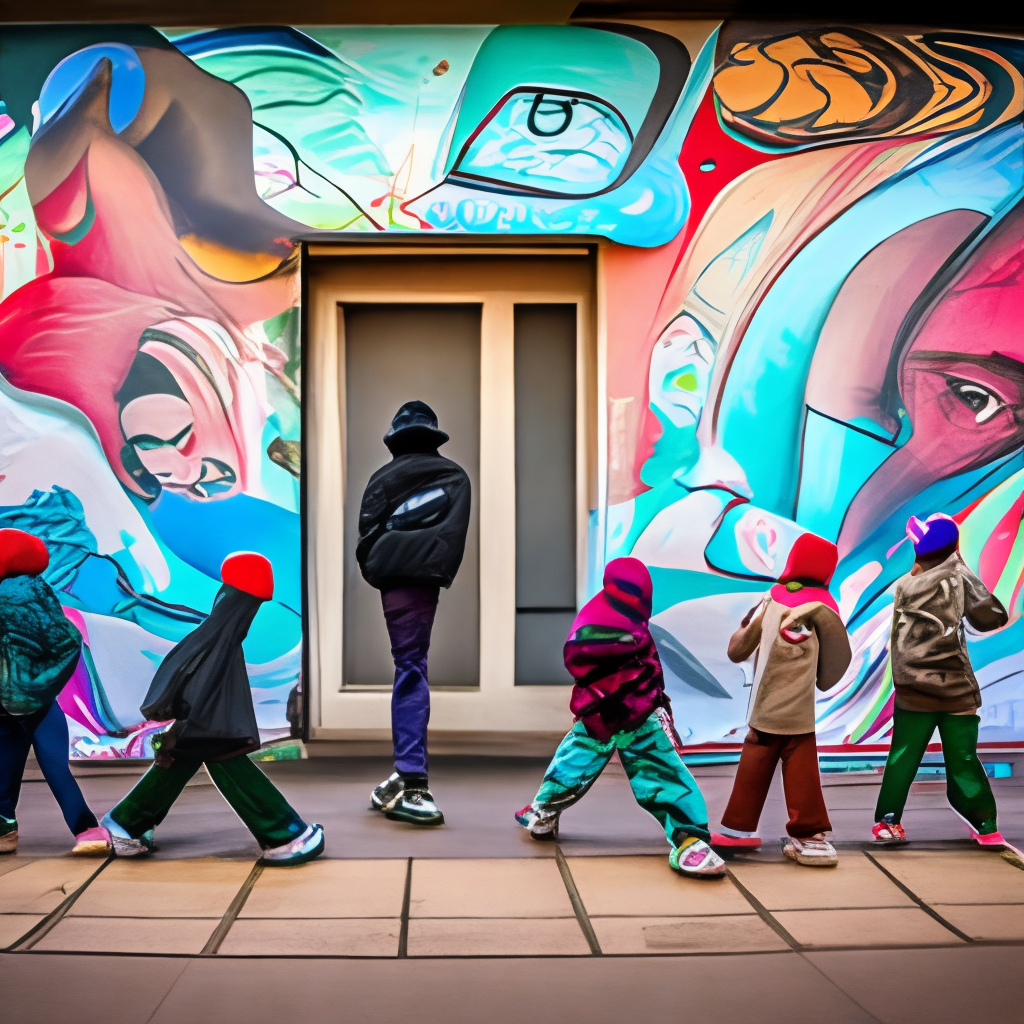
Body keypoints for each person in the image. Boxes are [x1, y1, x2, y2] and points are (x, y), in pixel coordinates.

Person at [101, 552, 324, 864]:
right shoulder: (222, 633)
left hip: (201, 718)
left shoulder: (219, 628)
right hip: (206, 719)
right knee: (225, 757)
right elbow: (198, 674)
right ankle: (284, 836)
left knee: (181, 761)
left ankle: (126, 825)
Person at [515, 557, 726, 878]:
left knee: (573, 762)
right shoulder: (625, 622)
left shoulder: (594, 615)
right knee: (661, 773)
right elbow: (646, 669)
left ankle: (543, 811)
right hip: (635, 714)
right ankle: (689, 839)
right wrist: (657, 704)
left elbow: (579, 663)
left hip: (598, 712)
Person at [357, 401, 471, 827]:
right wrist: (434, 568)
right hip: (423, 581)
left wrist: (382, 563)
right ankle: (411, 780)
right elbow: (453, 535)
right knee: (412, 667)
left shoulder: (381, 478)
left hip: (395, 584)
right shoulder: (455, 476)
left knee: (407, 666)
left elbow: (366, 537)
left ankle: (405, 777)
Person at [715, 533, 852, 867]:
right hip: (799, 714)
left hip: (764, 709)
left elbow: (737, 649)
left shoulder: (770, 599)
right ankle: (809, 835)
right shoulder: (824, 607)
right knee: (802, 772)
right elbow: (834, 665)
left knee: (754, 767)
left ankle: (738, 830)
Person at [872, 513, 1009, 846]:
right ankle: (984, 823)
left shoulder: (903, 586)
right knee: (962, 757)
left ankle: (887, 823)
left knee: (902, 756)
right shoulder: (959, 576)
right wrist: (961, 565)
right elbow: (992, 618)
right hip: (955, 689)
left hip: (912, 690)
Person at [0, 529, 111, 855]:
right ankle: (87, 830)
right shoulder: (39, 590)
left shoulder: (15, 592)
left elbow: (63, 639)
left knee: (5, 772)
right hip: (39, 703)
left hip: (10, 705)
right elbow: (67, 639)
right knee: (54, 768)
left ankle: (6, 831)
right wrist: (42, 682)